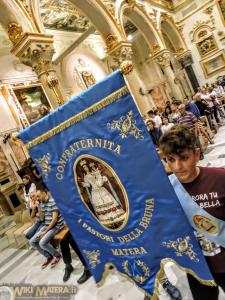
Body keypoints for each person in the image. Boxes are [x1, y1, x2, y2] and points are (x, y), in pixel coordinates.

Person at [159, 125, 225, 300]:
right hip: (197, 267)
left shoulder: (220, 179)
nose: (177, 166)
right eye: (170, 159)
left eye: (184, 158)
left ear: (196, 154)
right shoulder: (167, 189)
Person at [80, 161, 126, 229]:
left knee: (108, 203)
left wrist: (98, 175)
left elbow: (99, 183)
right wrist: (83, 184)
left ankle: (117, 219)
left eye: (86, 166)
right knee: (102, 207)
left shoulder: (94, 172)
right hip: (95, 192)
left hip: (101, 190)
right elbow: (88, 184)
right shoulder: (86, 177)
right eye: (84, 167)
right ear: (83, 169)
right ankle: (109, 222)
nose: (86, 168)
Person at [29, 189, 64, 269]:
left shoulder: (52, 202)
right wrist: (38, 207)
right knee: (32, 242)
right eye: (36, 196)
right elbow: (42, 218)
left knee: (42, 243)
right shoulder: (43, 203)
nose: (37, 198)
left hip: (56, 226)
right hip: (47, 225)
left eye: (38, 196)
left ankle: (57, 255)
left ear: (44, 194)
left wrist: (45, 232)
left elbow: (54, 220)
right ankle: (49, 256)